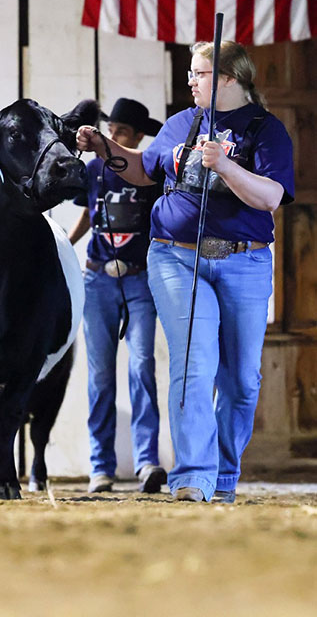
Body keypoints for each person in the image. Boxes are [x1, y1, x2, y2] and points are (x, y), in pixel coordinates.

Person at [75, 42, 294, 503]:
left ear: (229, 79)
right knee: (193, 365)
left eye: (199, 74)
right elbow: (141, 170)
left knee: (241, 381)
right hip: (176, 256)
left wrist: (227, 165)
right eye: (192, 73)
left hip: (245, 260)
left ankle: (224, 476)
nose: (190, 82)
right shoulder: (181, 124)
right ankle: (192, 477)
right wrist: (103, 147)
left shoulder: (266, 131)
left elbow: (271, 197)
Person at [69, 97, 167, 494]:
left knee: (142, 366)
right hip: (99, 280)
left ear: (138, 137)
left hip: (140, 280)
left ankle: (146, 462)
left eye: (121, 133)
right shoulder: (93, 171)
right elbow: (88, 214)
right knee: (100, 375)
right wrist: (66, 242)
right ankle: (101, 467)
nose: (112, 137)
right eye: (111, 131)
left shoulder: (149, 172)